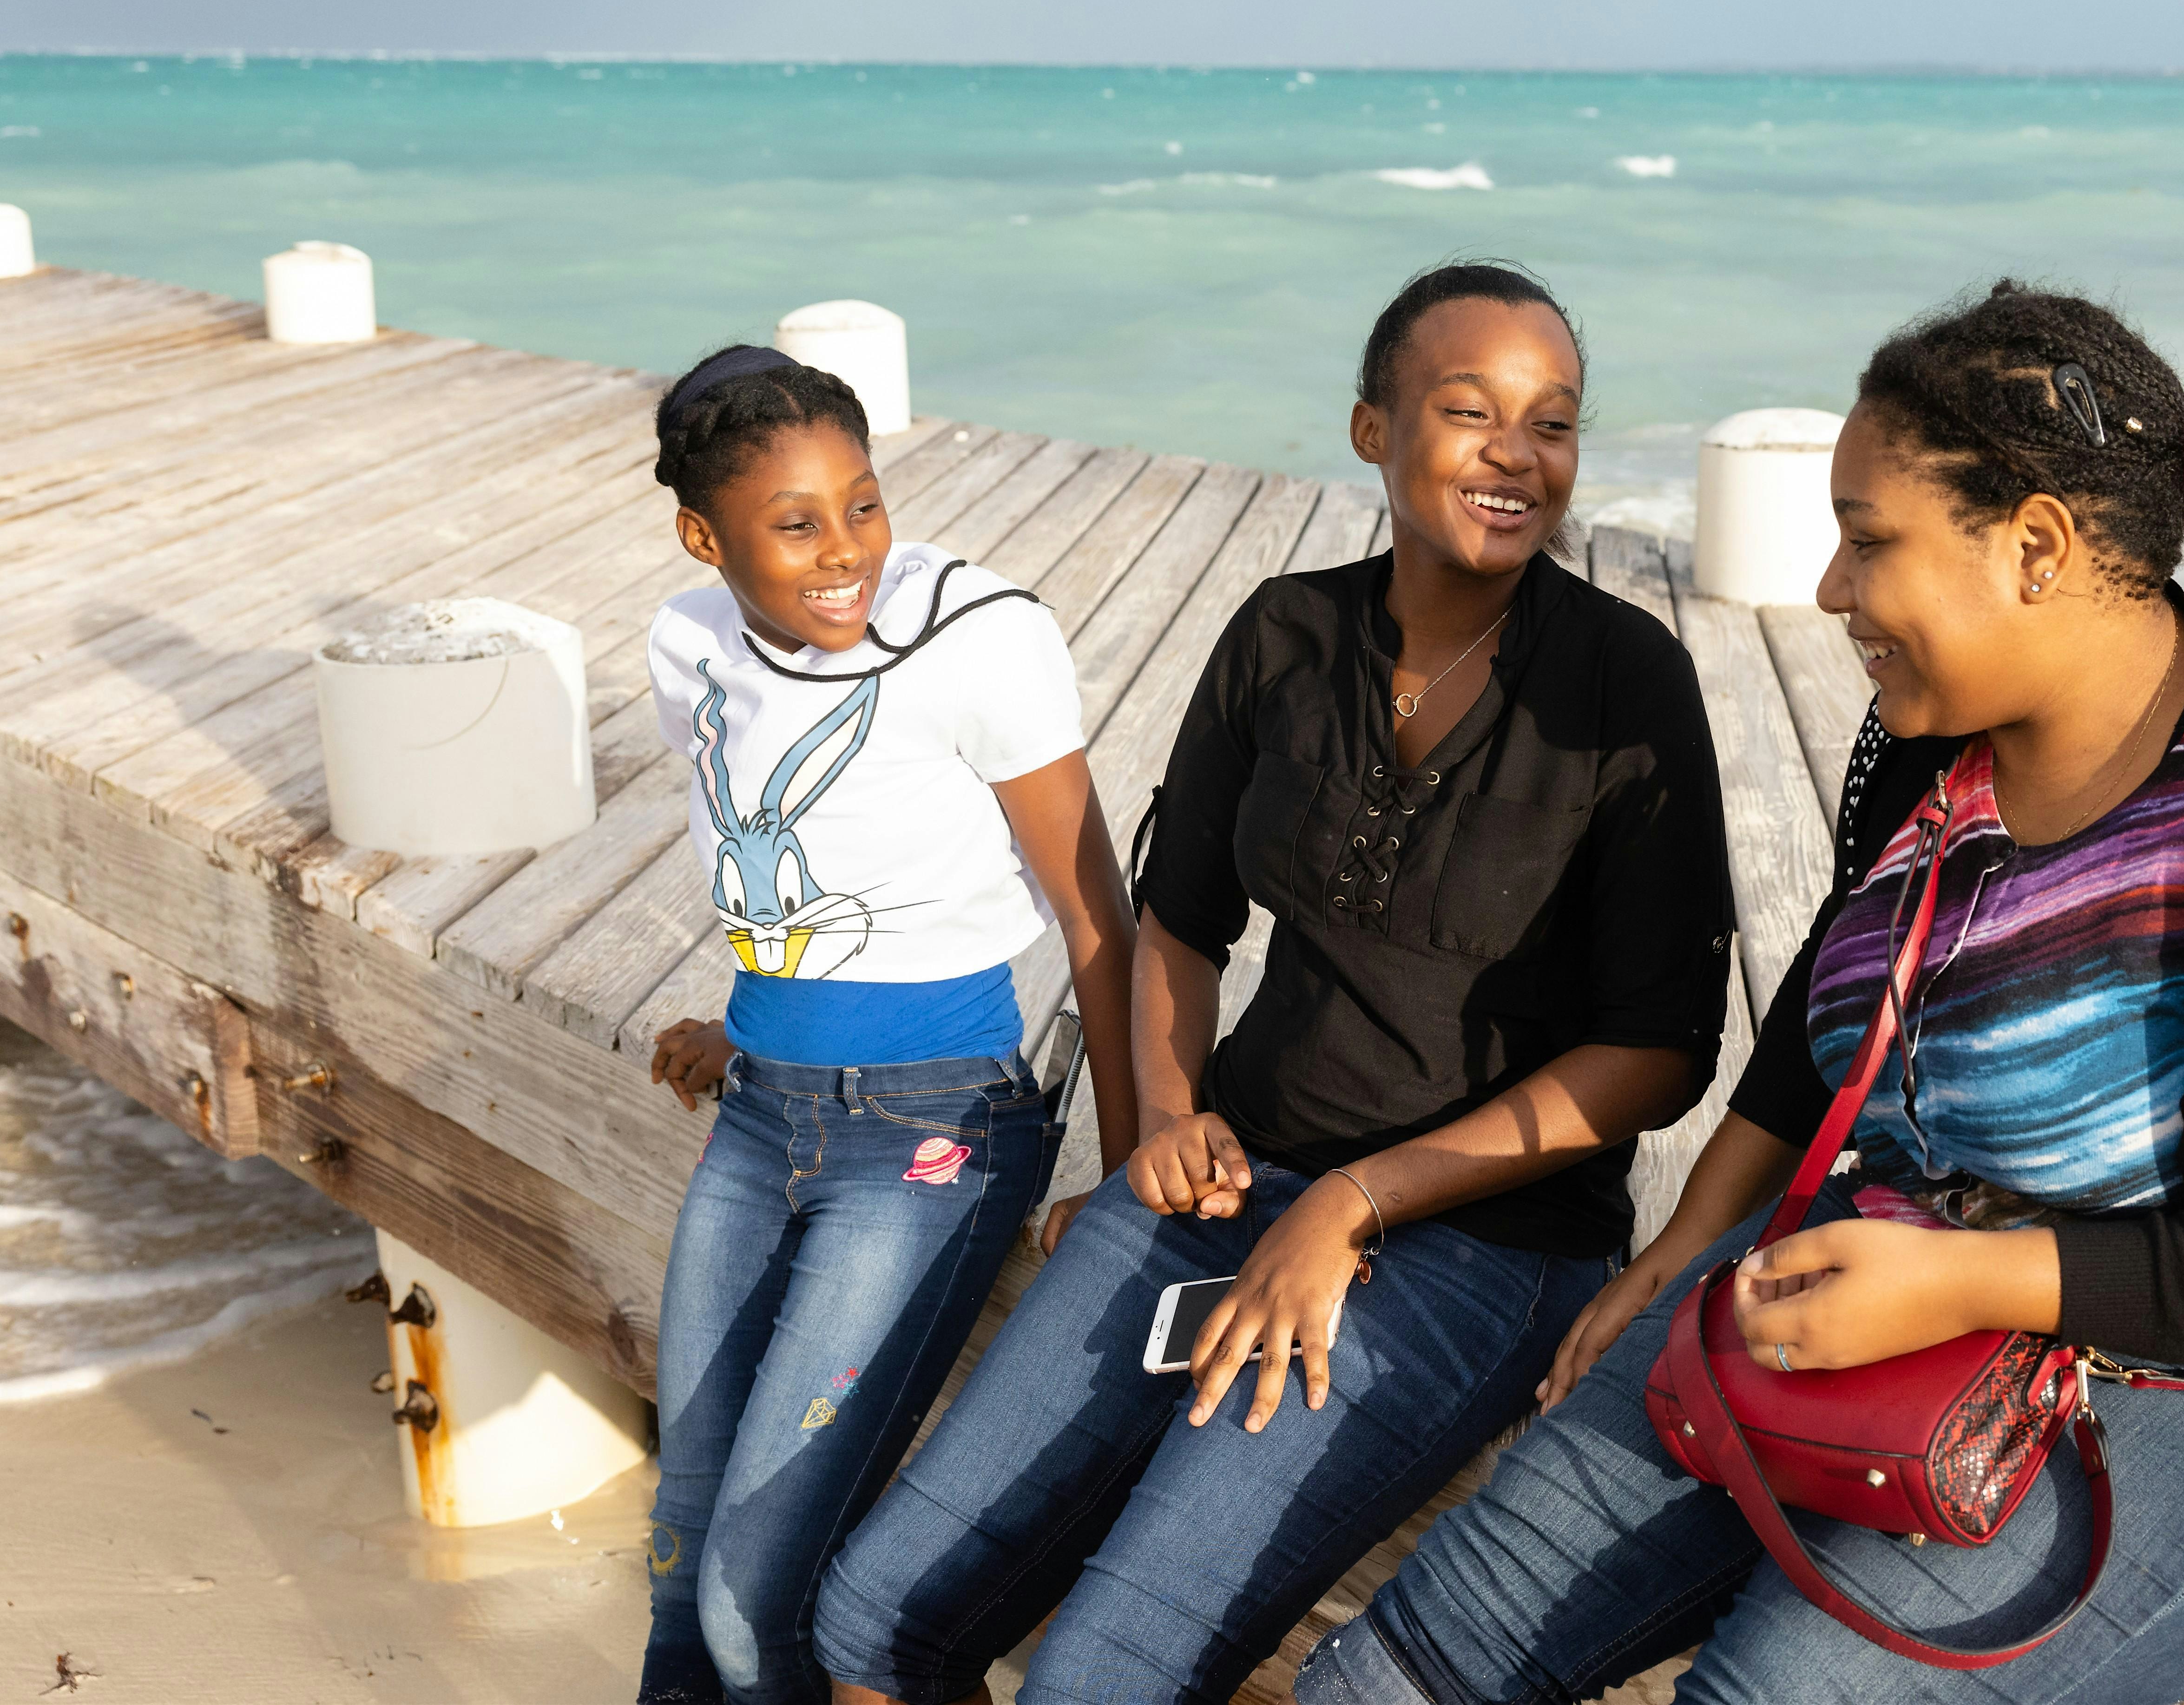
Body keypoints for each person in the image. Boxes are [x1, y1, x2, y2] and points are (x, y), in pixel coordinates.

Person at [1294, 280, 2184, 1705]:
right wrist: (1688, 1243)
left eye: (1870, 542)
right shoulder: (1928, 746)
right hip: (1903, 1275)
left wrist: (1972, 1278)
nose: (1831, 591)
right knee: (1412, 1664)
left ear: (2037, 546)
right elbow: (1840, 988)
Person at [810, 262, 1737, 1705]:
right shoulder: (1284, 634)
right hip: (1235, 1172)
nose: (1518, 452)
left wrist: (1356, 1203)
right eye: (1469, 410)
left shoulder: (1627, 686)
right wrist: (1164, 1121)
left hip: (1485, 1238)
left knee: (1098, 1681)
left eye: (1552, 423)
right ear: (1373, 429)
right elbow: (1181, 926)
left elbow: (1662, 1050)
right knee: (871, 1617)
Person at [635, 347, 1138, 1705]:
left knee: (753, 1605)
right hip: (758, 1116)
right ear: (705, 535)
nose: (847, 548)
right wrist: (749, 1021)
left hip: (934, 1133)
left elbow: (1101, 919)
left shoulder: (981, 639)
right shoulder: (686, 646)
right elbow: (794, 865)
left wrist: (1135, 1176)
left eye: (864, 502)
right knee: (683, 1558)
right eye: (796, 523)